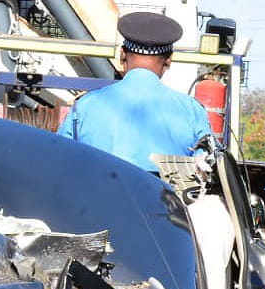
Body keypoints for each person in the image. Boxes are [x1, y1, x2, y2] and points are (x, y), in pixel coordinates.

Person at [58, 11, 210, 173]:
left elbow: (60, 158)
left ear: (122, 54)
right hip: (162, 190)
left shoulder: (85, 105)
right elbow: (206, 165)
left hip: (98, 187)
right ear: (168, 60)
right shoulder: (192, 111)